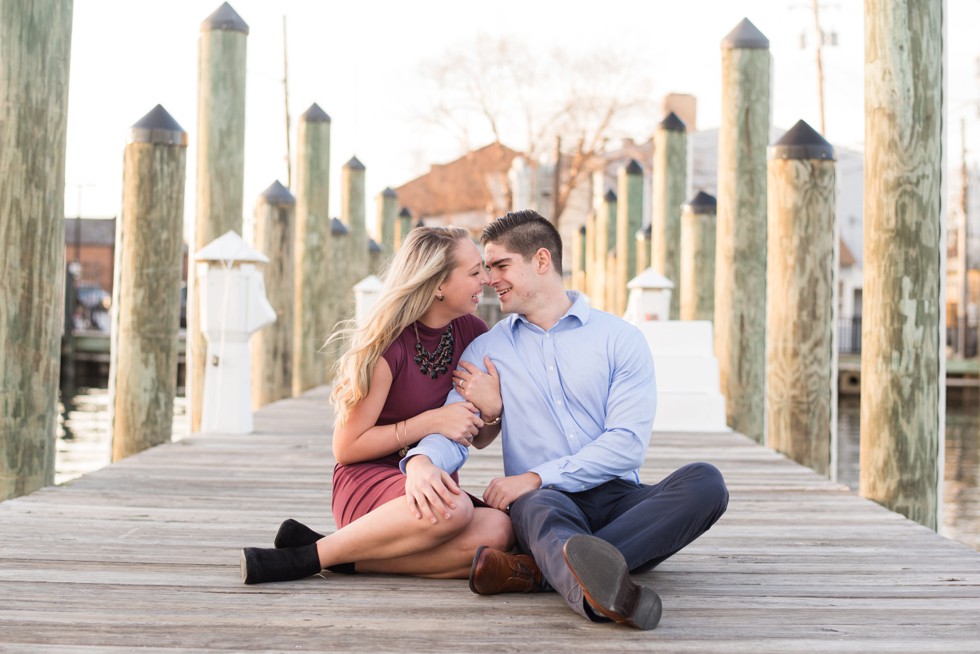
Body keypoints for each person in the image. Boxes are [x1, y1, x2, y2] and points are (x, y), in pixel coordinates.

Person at [401, 210, 729, 630]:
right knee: (537, 507)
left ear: (541, 261)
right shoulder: (487, 351)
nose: (490, 279)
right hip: (545, 506)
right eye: (486, 268)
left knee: (705, 482)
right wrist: (422, 462)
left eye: (501, 265)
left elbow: (626, 444)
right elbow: (455, 427)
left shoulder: (620, 340)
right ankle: (599, 593)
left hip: (617, 500)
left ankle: (538, 573)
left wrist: (534, 475)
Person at [241, 226, 513, 584]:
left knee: (499, 530)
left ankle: (344, 557)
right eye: (475, 271)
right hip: (369, 483)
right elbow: (347, 447)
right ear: (438, 284)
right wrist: (430, 422)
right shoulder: (388, 347)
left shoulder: (472, 333)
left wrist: (492, 411)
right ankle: (307, 558)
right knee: (456, 508)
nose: (487, 281)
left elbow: (476, 438)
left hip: (433, 486)